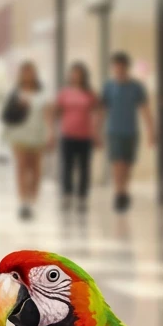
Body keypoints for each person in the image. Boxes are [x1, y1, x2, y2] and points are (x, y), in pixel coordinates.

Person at [102, 51, 156, 212]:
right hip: (114, 131)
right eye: (116, 67)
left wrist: (151, 131)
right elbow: (102, 111)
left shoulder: (136, 87)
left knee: (127, 165)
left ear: (127, 67)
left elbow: (145, 110)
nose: (118, 70)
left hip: (131, 132)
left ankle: (124, 191)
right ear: (113, 68)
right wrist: (96, 130)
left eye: (121, 67)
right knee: (117, 163)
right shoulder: (109, 87)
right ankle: (119, 193)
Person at [1, 61, 49, 220]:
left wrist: (51, 133)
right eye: (25, 72)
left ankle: (33, 200)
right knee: (21, 166)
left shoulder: (42, 93)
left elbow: (48, 115)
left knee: (35, 168)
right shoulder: (16, 93)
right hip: (19, 133)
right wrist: (20, 105)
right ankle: (23, 202)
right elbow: (7, 113)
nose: (28, 76)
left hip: (37, 133)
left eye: (30, 72)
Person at [49, 62, 99, 213]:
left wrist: (97, 132)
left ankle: (82, 198)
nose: (76, 76)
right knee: (67, 166)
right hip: (68, 135)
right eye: (73, 73)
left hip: (85, 136)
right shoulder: (64, 93)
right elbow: (54, 113)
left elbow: (97, 114)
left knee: (84, 168)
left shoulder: (90, 94)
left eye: (78, 73)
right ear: (70, 75)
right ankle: (67, 195)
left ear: (83, 75)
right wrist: (52, 132)